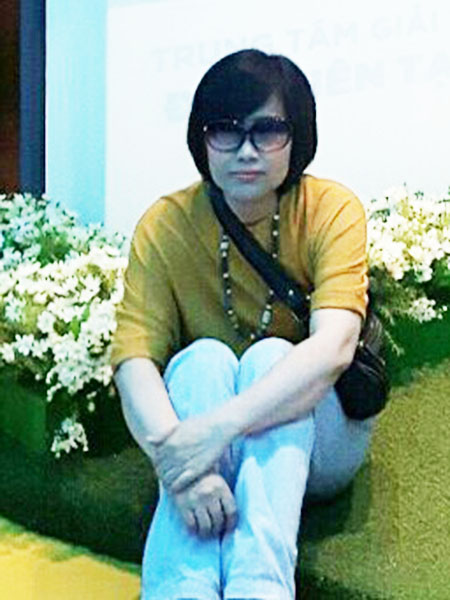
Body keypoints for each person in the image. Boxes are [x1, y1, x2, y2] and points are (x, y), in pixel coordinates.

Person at [111, 49, 374, 600]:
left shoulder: (331, 208)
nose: (246, 151)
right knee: (203, 360)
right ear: (201, 139)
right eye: (226, 131)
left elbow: (334, 346)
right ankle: (180, 590)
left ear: (297, 136)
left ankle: (260, 586)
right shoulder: (166, 224)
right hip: (203, 441)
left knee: (272, 357)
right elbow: (134, 362)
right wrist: (180, 465)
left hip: (318, 442)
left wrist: (217, 430)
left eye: (268, 131)